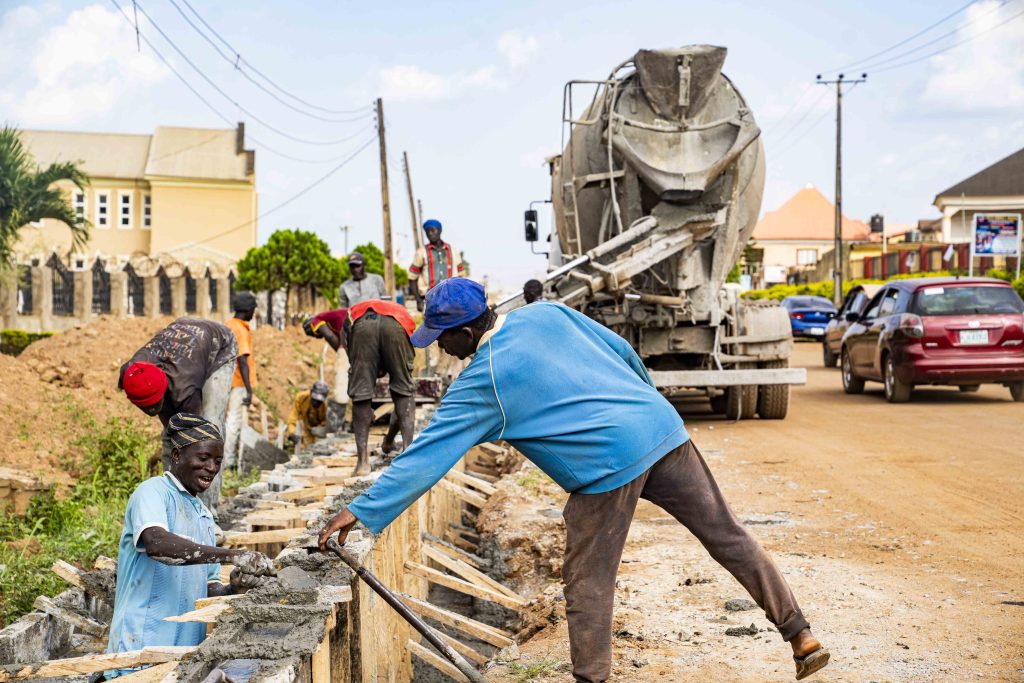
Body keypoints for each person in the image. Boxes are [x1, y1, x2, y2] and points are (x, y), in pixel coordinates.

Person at [318, 278, 829, 683]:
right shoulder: (544, 314)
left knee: (588, 583)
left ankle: (591, 679)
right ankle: (799, 633)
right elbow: (624, 353)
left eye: (444, 338)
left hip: (603, 469)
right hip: (661, 428)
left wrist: (361, 511)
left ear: (468, 331)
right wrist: (641, 409)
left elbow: (424, 459)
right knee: (729, 536)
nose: (443, 350)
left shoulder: (483, 380)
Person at [105, 413, 273, 679]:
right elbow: (156, 543)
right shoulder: (152, 492)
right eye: (203, 458)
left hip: (182, 660)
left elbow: (208, 588)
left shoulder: (204, 516)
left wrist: (233, 588)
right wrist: (233, 555)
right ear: (176, 456)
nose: (211, 468)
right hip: (139, 654)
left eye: (217, 461)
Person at [118, 318, 237, 512]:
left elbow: (198, 441)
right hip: (184, 346)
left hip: (219, 348)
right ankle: (173, 506)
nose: (151, 412)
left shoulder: (185, 390)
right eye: (145, 408)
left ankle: (206, 510)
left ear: (163, 390)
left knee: (209, 433)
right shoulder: (131, 373)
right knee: (171, 436)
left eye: (154, 406)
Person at [304, 300, 417, 475]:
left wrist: (364, 383)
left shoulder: (329, 320)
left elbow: (349, 352)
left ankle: (363, 463)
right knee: (404, 393)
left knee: (361, 395)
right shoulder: (392, 309)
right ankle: (408, 455)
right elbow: (401, 396)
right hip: (397, 322)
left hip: (362, 323)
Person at [223, 291, 257, 470]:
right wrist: (249, 390)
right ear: (249, 310)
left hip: (224, 381)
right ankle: (228, 463)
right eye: (253, 310)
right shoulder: (241, 330)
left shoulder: (228, 324)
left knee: (223, 420)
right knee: (233, 422)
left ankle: (223, 459)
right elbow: (243, 360)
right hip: (237, 382)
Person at [408, 219, 464, 312]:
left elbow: (461, 277)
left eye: (433, 230)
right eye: (427, 231)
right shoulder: (421, 252)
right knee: (433, 326)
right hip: (430, 299)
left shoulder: (453, 251)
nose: (430, 234)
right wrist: (418, 301)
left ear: (440, 231)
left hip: (452, 299)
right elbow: (412, 278)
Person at [286, 381, 330, 446]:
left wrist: (318, 431)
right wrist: (292, 433)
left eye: (319, 402)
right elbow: (293, 418)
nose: (315, 403)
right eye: (314, 400)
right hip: (305, 423)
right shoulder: (301, 397)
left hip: (318, 429)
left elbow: (325, 423)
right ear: (311, 393)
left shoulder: (326, 406)